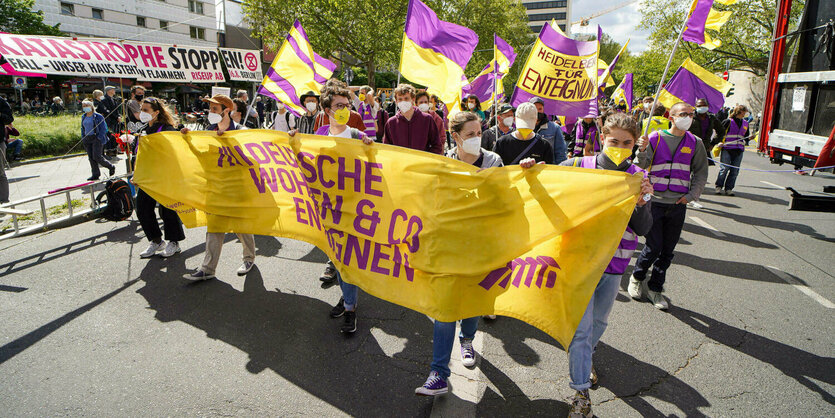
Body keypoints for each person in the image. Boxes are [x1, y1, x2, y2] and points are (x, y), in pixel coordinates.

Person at [521, 112, 653, 417]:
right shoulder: (579, 166)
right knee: (580, 331)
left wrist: (643, 203)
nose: (619, 146)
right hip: (578, 263)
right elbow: (543, 184)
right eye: (613, 140)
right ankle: (580, 392)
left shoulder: (638, 177)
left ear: (634, 144)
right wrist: (531, 170)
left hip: (614, 265)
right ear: (602, 138)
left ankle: (586, 358)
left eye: (626, 142)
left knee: (599, 324)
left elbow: (644, 228)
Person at [415, 111, 503, 397]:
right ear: (455, 137)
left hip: (481, 246)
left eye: (479, 133)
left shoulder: (493, 161)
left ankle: (467, 339)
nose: (477, 138)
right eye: (470, 134)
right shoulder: (444, 164)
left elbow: (503, 200)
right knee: (445, 310)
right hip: (449, 246)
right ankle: (438, 373)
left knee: (473, 300)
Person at [292, 80, 374, 333]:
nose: (345, 109)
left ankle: (350, 308)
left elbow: (375, 170)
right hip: (327, 208)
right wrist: (293, 143)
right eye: (339, 105)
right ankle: (347, 298)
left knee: (347, 259)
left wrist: (371, 151)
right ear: (327, 110)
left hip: (353, 209)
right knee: (337, 259)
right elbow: (305, 164)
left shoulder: (357, 136)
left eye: (347, 105)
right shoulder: (318, 137)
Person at [631, 102, 708, 310]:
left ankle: (656, 289)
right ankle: (637, 277)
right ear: (671, 117)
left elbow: (701, 171)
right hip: (654, 203)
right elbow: (640, 166)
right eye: (684, 114)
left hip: (677, 204)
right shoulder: (655, 138)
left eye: (691, 114)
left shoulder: (695, 142)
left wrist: (692, 195)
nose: (689, 118)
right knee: (653, 246)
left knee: (667, 251)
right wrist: (642, 150)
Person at [180, 95, 257, 280]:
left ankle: (249, 258)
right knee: (214, 228)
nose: (210, 113)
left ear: (227, 111)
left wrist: (229, 142)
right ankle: (208, 269)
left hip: (237, 189)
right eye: (210, 109)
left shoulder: (241, 131)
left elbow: (251, 161)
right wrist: (188, 140)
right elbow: (201, 156)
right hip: (215, 188)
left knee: (242, 227)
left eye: (215, 109)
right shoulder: (208, 131)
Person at [133, 97, 186, 259]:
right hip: (148, 178)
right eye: (142, 110)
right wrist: (136, 174)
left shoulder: (167, 129)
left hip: (165, 177)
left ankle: (174, 242)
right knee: (142, 208)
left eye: (146, 110)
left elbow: (176, 151)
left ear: (156, 112)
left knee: (167, 210)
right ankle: (156, 240)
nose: (142, 113)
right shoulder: (142, 130)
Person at [382, 84, 443, 154]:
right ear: (396, 101)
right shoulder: (391, 123)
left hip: (422, 164)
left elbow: (437, 145)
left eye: (406, 98)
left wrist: (427, 161)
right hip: (401, 164)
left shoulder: (427, 119)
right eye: (400, 99)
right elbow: (387, 148)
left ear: (413, 99)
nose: (403, 102)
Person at [715, 105, 750, 196]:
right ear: (739, 112)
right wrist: (719, 142)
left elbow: (746, 136)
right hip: (727, 148)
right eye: (744, 111)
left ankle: (729, 188)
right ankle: (718, 186)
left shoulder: (746, 123)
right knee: (724, 169)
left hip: (739, 149)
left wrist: (749, 138)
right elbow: (720, 133)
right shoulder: (728, 121)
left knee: (734, 171)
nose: (745, 114)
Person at [80, 99, 115, 181]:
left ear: (91, 106)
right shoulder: (83, 116)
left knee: (97, 157)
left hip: (96, 138)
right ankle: (95, 174)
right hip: (87, 138)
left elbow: (104, 128)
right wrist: (83, 137)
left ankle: (110, 166)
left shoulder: (98, 116)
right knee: (91, 158)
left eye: (86, 106)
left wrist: (99, 138)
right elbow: (82, 128)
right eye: (83, 106)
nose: (85, 108)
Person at [687, 98, 724, 166]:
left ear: (707, 106)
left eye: (704, 105)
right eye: (699, 106)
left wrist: (713, 143)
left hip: (705, 150)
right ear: (695, 106)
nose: (702, 107)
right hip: (690, 149)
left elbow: (721, 131)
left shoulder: (712, 118)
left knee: (701, 174)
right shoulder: (690, 117)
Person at [530, 98, 567, 163]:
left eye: (540, 109)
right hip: (529, 168)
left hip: (549, 169)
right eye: (535, 109)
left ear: (543, 109)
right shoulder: (525, 127)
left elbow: (560, 153)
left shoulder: (555, 128)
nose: (537, 112)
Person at [0, 94, 13, 203]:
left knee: (0, 172)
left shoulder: (1, 102)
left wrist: (0, 115)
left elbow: (9, 119)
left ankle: (4, 200)